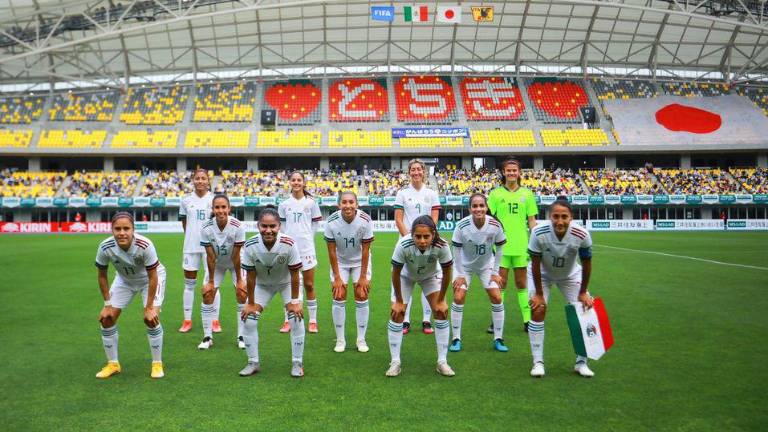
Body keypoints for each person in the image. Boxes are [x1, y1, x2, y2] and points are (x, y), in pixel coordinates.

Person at [527, 198, 595, 378]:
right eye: (555, 216)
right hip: (542, 274)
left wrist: (583, 292)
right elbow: (535, 264)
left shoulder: (582, 234)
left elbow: (587, 264)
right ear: (549, 217)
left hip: (571, 275)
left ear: (571, 217)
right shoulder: (538, 232)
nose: (560, 221)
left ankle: (581, 362)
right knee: (538, 309)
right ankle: (538, 362)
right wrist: (539, 294)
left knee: (584, 311)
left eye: (564, 216)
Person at [94, 212, 166, 379]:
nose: (122, 232)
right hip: (124, 280)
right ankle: (113, 364)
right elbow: (102, 275)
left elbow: (153, 276)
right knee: (107, 319)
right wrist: (107, 304)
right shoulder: (105, 246)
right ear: (112, 229)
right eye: (117, 229)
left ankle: (157, 364)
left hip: (150, 280)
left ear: (133, 229)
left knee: (150, 319)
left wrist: (149, 308)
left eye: (126, 228)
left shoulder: (145, 245)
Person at [239, 207, 306, 377]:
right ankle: (253, 362)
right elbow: (251, 277)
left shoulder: (289, 244)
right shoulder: (250, 245)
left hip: (287, 283)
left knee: (295, 319)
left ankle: (297, 363)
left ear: (279, 226)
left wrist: (295, 301)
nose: (268, 230)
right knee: (249, 320)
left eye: (272, 226)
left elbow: (295, 274)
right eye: (264, 226)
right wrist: (251, 303)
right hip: (262, 285)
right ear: (258, 226)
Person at [386, 215, 454, 377]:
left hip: (430, 276)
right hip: (405, 276)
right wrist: (399, 301)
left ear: (434, 234)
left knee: (440, 311)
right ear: (412, 234)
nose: (422, 241)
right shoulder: (403, 244)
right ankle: (395, 362)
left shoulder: (442, 245)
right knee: (397, 313)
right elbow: (395, 273)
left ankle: (442, 362)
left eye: (426, 236)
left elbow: (447, 272)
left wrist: (441, 299)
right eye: (418, 236)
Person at [449, 193, 509, 353]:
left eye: (481, 205)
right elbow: (456, 250)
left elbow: (500, 248)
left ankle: (498, 338)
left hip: (486, 266)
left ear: (487, 207)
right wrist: (460, 274)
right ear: (470, 209)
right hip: (464, 267)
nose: (478, 209)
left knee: (496, 296)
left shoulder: (495, 225)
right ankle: (456, 338)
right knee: (458, 296)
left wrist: (496, 272)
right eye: (474, 206)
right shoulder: (462, 226)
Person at [487, 158, 538, 333]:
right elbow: (489, 220)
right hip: (501, 247)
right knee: (500, 284)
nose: (511, 173)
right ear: (503, 172)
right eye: (508, 170)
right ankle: (497, 321)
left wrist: (535, 241)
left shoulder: (527, 194)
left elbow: (531, 221)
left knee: (521, 283)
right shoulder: (495, 194)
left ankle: (527, 320)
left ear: (519, 173)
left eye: (514, 170)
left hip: (521, 246)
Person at [394, 159, 441, 335]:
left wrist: (428, 237)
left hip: (427, 243)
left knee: (428, 279)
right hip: (407, 243)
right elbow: (399, 219)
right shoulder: (402, 193)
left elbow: (434, 218)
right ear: (409, 173)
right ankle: (405, 320)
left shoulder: (431, 193)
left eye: (419, 169)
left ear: (424, 172)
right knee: (407, 280)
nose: (416, 172)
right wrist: (409, 239)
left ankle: (426, 320)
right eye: (412, 170)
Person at [324, 191, 374, 353]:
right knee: (338, 294)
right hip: (340, 262)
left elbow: (366, 250)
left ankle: (361, 339)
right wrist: (337, 277)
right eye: (344, 202)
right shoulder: (331, 222)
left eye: (351, 202)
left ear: (357, 204)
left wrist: (363, 277)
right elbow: (331, 252)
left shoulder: (365, 220)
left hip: (360, 261)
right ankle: (340, 340)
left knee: (361, 293)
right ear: (339, 205)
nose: (348, 206)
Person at [197, 195, 247, 350]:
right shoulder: (206, 228)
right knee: (207, 293)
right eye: (217, 207)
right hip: (217, 264)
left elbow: (237, 255)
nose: (220, 210)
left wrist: (239, 280)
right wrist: (211, 281)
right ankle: (207, 337)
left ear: (229, 208)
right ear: (212, 209)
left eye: (223, 207)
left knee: (242, 293)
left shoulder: (238, 226)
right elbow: (210, 257)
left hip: (236, 263)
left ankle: (242, 336)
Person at [278, 171, 322, 333]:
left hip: (307, 248)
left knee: (309, 285)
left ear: (303, 183)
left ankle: (312, 320)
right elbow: (281, 226)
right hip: (289, 250)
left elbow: (316, 224)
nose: (296, 182)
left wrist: (309, 237)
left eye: (299, 180)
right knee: (289, 286)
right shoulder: (284, 204)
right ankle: (288, 320)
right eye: (293, 180)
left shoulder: (311, 203)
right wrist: (287, 240)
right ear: (290, 183)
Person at [178, 169, 221, 333]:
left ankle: (215, 320)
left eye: (203, 178)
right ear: (193, 180)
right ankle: (187, 320)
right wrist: (191, 236)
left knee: (212, 284)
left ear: (208, 181)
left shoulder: (214, 199)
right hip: (191, 247)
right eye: (197, 178)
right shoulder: (186, 200)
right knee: (189, 285)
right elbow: (184, 222)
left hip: (210, 247)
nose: (200, 181)